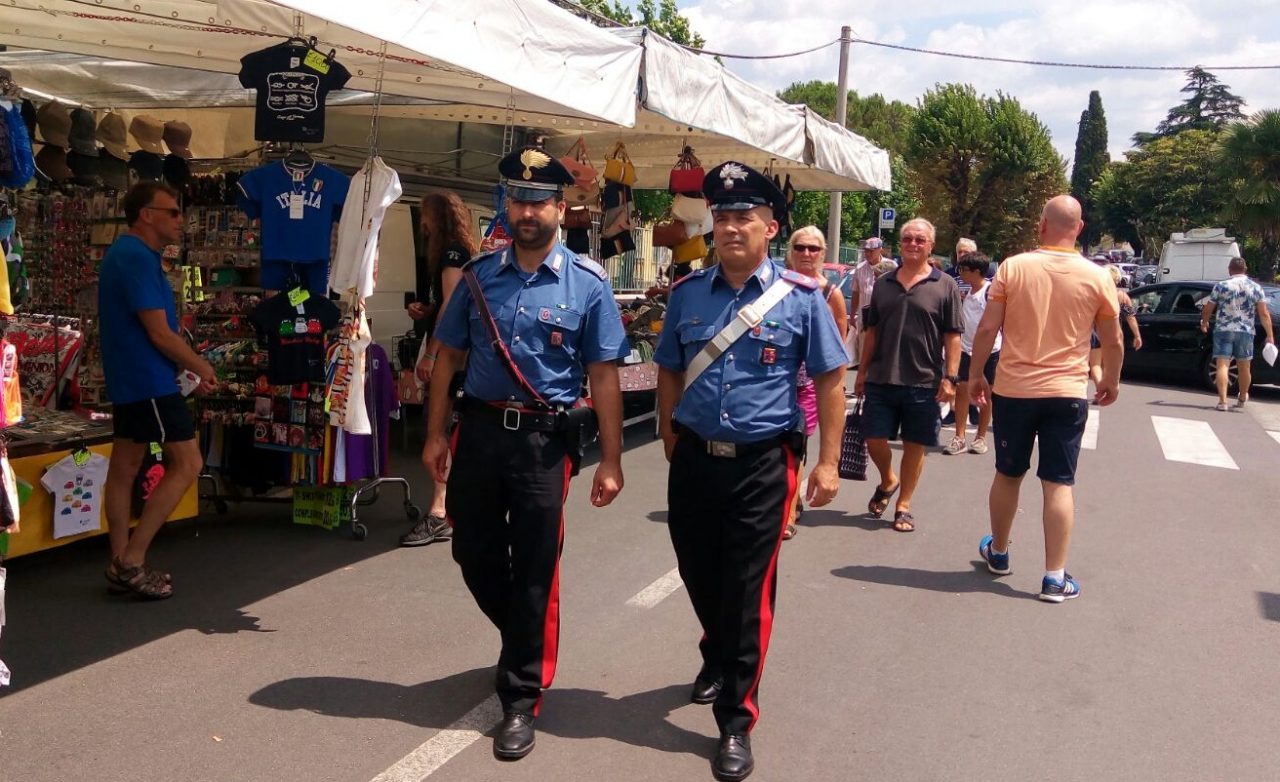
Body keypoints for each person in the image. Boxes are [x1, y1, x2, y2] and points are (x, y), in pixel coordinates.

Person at [421, 146, 627, 761]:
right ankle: (525, 639)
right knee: (471, 548)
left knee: (535, 563)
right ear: (505, 207)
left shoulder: (588, 285)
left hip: (543, 442)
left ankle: (519, 697)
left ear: (561, 209)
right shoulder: (480, 278)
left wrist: (612, 459)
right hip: (479, 433)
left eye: (539, 201)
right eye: (518, 199)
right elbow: (447, 359)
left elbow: (605, 374)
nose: (528, 211)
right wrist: (434, 435)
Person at [655, 162, 847, 782]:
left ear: (770, 226)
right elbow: (667, 368)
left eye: (745, 217)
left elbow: (830, 378)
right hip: (694, 461)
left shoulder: (802, 298)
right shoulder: (686, 295)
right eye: (723, 216)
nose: (732, 226)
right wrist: (667, 430)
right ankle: (717, 652)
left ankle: (736, 720)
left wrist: (826, 462)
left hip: (764, 464)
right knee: (697, 569)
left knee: (746, 589)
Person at [968, 195, 1122, 603]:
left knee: (1008, 473)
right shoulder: (1097, 276)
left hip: (1015, 389)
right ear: (1080, 228)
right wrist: (1110, 379)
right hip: (1067, 391)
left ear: (1041, 226)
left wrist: (975, 376)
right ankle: (1054, 577)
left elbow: (986, 330)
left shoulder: (1014, 267)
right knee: (1058, 483)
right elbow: (1113, 339)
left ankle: (998, 552)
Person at [99, 181, 217, 600]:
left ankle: (119, 563)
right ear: (146, 214)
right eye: (172, 212)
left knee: (125, 467)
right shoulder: (135, 257)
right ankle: (131, 560)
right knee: (188, 462)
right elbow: (160, 334)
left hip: (133, 377)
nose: (180, 220)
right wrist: (201, 365)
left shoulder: (129, 255)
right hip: (148, 378)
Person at [853, 218, 963, 533]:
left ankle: (903, 505)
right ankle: (889, 479)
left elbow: (952, 336)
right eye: (907, 239)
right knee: (873, 439)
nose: (913, 244)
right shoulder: (884, 283)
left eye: (919, 240)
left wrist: (951, 378)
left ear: (930, 246)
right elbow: (871, 331)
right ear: (899, 245)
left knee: (915, 445)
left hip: (924, 380)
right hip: (881, 376)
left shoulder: (945, 285)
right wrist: (861, 371)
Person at [400, 190, 477, 547]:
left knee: (441, 422)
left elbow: (452, 306)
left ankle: (439, 510)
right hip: (456, 350)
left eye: (425, 216)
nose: (423, 224)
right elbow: (449, 304)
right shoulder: (460, 251)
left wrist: (431, 353)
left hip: (450, 354)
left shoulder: (450, 253)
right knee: (446, 424)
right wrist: (426, 311)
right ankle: (446, 505)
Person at [782, 225, 849, 539]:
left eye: (813, 249)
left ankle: (791, 511)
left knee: (797, 448)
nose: (806, 254)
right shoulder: (777, 288)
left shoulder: (830, 294)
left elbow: (838, 343)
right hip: (778, 382)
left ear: (823, 253)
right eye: (800, 248)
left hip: (809, 384)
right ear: (790, 251)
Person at [1200, 256, 1275, 411]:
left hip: (1224, 329)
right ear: (1245, 269)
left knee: (1222, 365)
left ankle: (1222, 401)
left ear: (1229, 269)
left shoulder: (1221, 286)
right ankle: (1242, 397)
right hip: (1246, 331)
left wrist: (1205, 321)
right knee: (1244, 367)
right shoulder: (1256, 288)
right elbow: (1264, 313)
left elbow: (1208, 307)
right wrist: (1270, 335)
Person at [943, 252, 1000, 456]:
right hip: (966, 350)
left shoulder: (990, 292)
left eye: (964, 270)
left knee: (986, 395)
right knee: (962, 392)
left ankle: (981, 437)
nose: (961, 273)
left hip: (990, 351)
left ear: (977, 271)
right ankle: (959, 436)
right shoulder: (966, 291)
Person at [1087, 265, 1142, 391]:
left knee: (1096, 365)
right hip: (1114, 332)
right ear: (1117, 279)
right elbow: (1130, 317)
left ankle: (1099, 388)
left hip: (1096, 333)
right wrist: (1137, 336)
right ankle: (1109, 387)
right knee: (1111, 365)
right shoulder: (1122, 297)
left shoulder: (1096, 294)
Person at [848, 237, 884, 367]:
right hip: (865, 320)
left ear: (880, 250)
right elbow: (856, 293)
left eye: (871, 251)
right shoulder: (860, 268)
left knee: (883, 354)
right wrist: (852, 316)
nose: (868, 254)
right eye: (866, 251)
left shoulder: (890, 266)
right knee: (865, 354)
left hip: (885, 319)